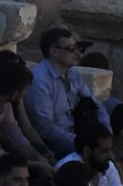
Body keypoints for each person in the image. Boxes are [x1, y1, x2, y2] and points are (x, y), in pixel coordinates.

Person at [0, 51, 54, 179]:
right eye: (25, 90)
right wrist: (37, 165)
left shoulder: (5, 103)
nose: (25, 94)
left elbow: (17, 138)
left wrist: (39, 158)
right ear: (15, 93)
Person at [28, 28, 97, 158]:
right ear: (54, 51)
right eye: (71, 49)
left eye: (76, 48)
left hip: (76, 132)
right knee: (96, 152)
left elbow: (94, 104)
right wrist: (81, 140)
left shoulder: (73, 73)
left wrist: (106, 130)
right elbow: (45, 129)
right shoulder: (40, 81)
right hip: (57, 142)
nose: (77, 53)